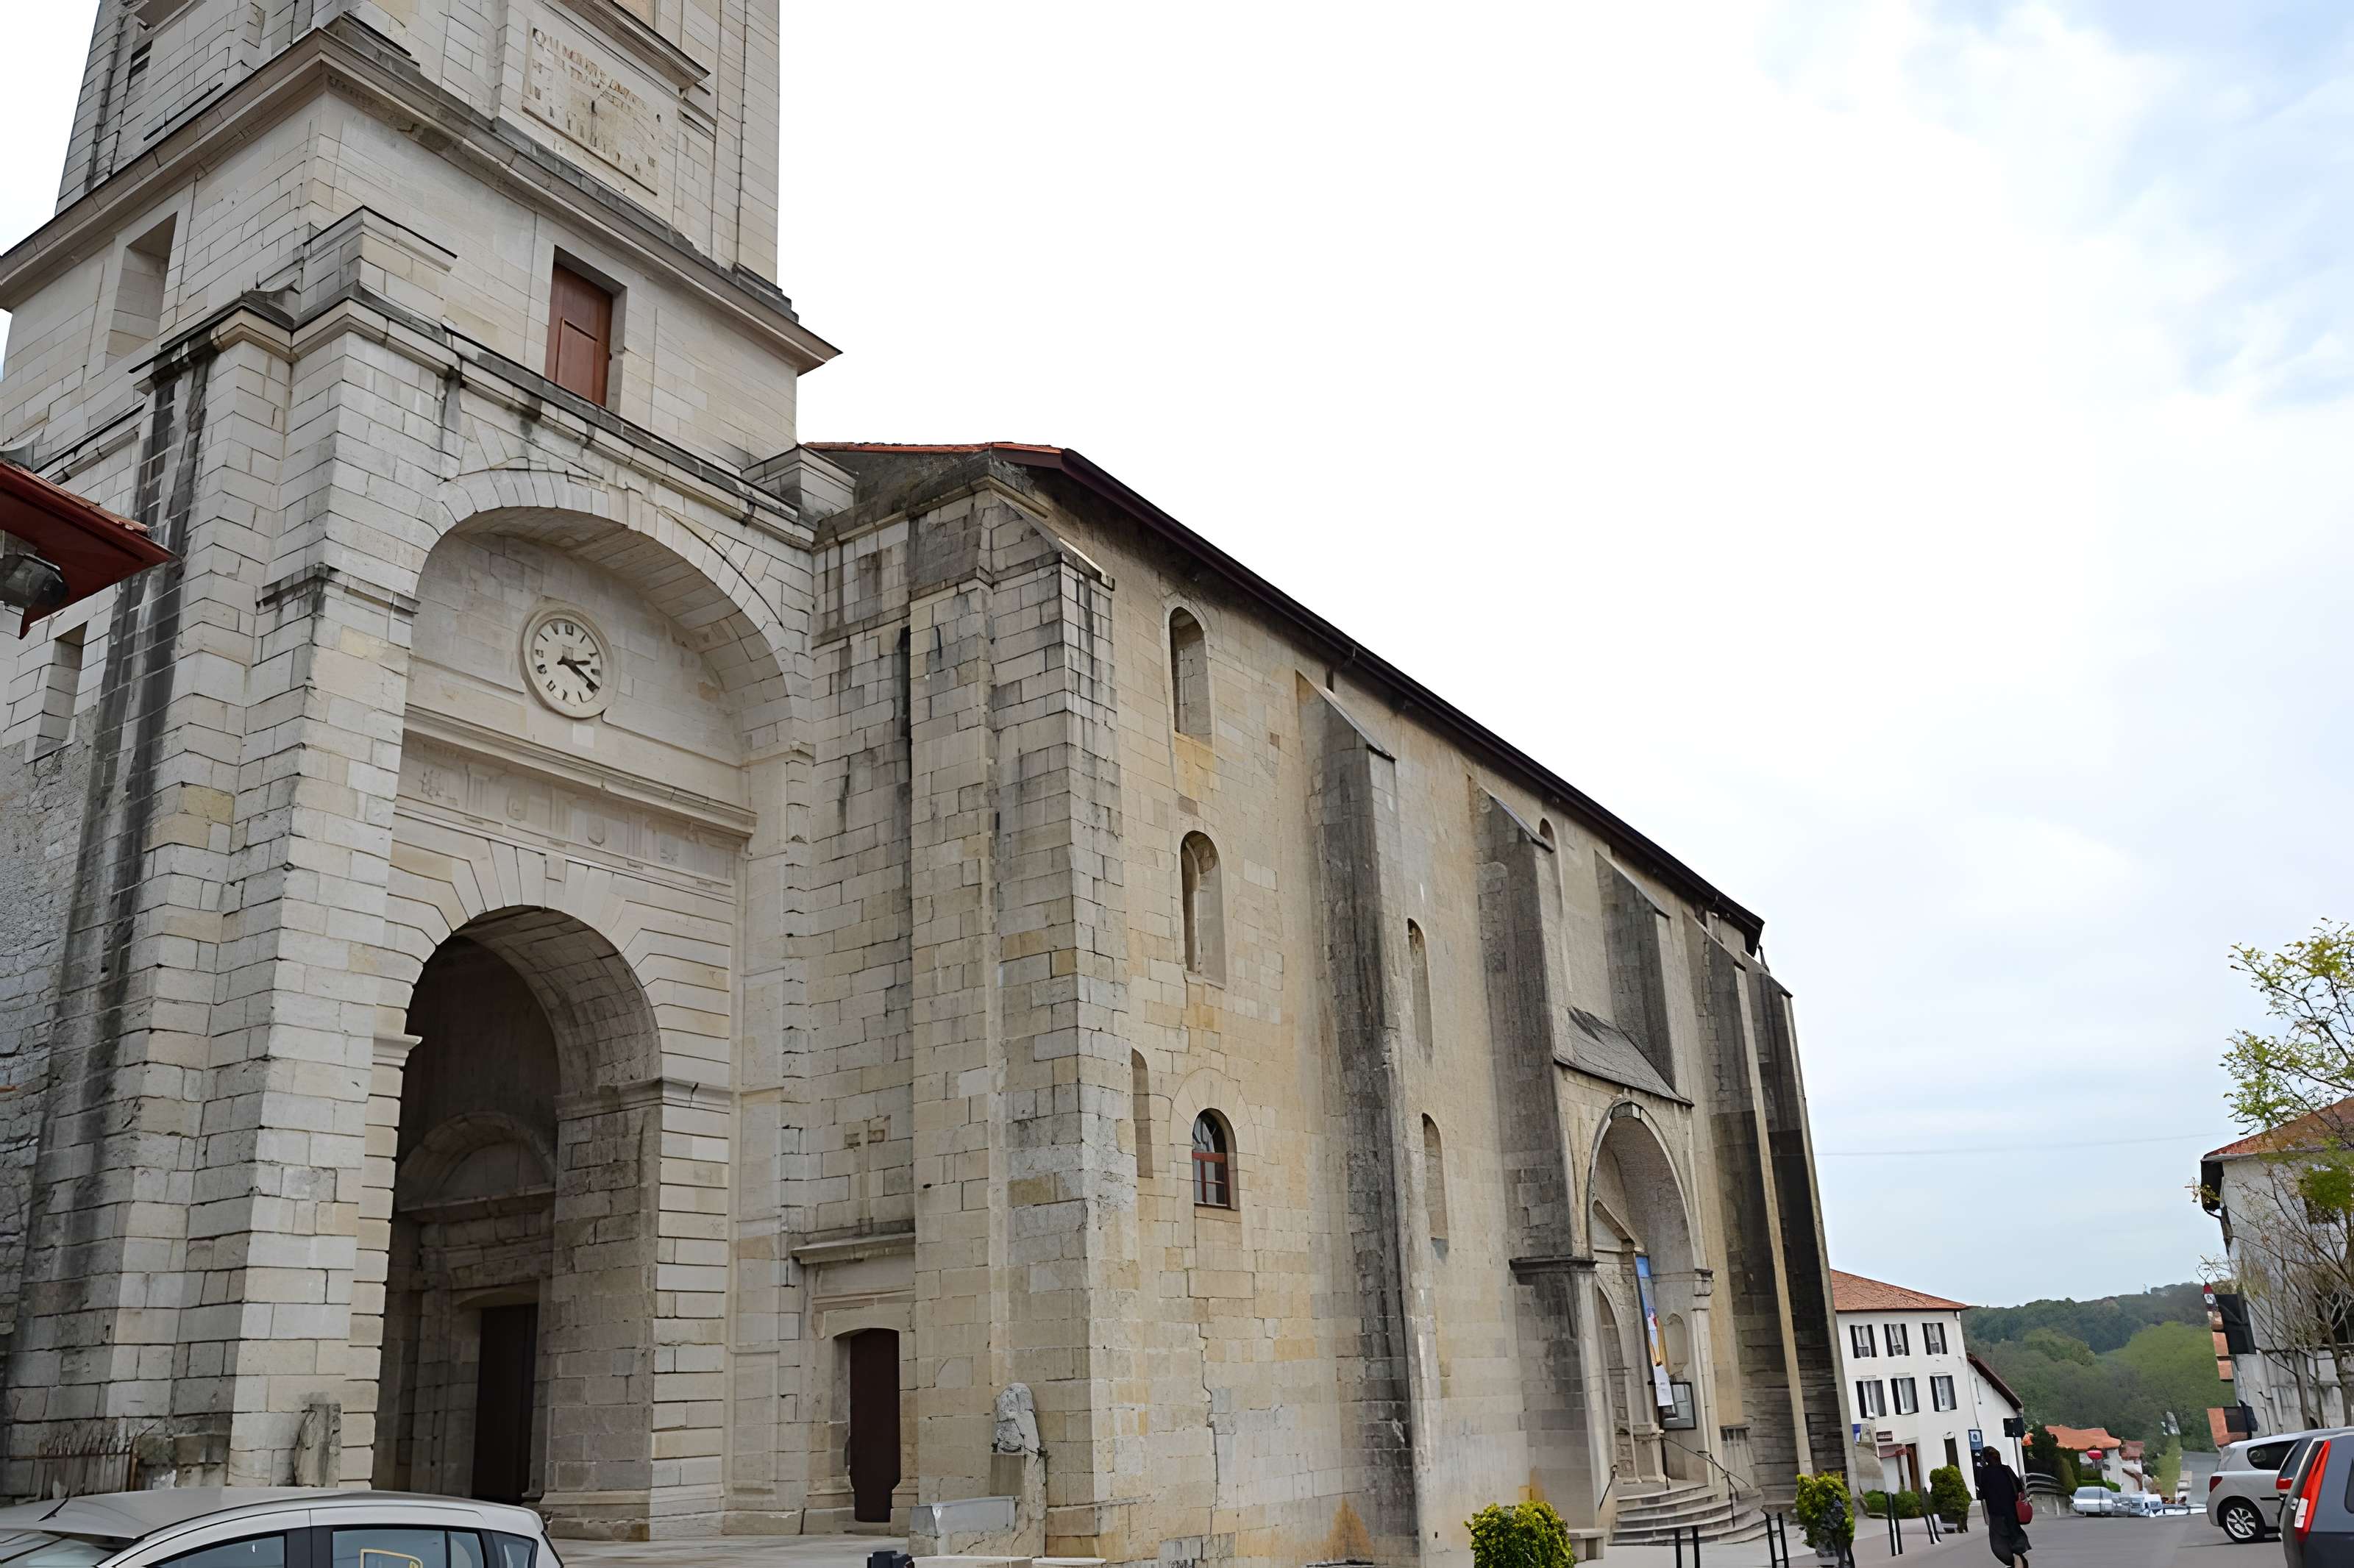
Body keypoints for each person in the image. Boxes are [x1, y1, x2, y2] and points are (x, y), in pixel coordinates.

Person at [1975, 1447, 2033, 1567]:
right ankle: (2019, 1558)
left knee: (1999, 1544)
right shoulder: (2006, 1470)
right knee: (2014, 1539)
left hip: (1996, 1514)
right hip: (2012, 1512)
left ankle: (2017, 1562)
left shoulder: (1985, 1472)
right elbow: (2019, 1487)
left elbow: (1982, 1494)